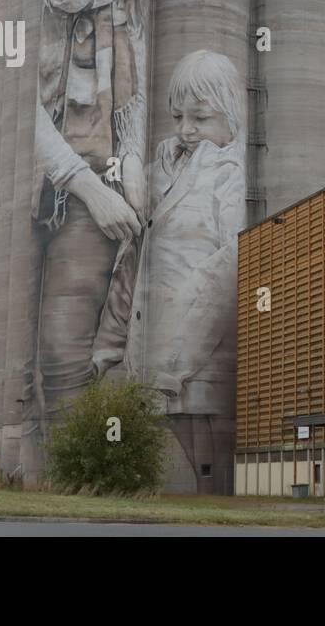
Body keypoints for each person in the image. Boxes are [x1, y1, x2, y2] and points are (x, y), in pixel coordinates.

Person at [31, 0, 154, 413]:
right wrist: (88, 189)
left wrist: (130, 163)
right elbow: (22, 113)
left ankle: (104, 461)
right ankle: (58, 475)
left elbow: (134, 99)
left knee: (116, 346)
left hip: (115, 187)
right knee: (58, 355)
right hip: (66, 189)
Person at [91, 50, 246, 417]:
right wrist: (106, 349)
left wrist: (170, 369)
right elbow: (129, 268)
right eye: (178, 117)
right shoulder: (159, 167)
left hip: (193, 372)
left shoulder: (230, 177)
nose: (185, 129)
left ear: (232, 115)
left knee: (196, 459)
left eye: (200, 118)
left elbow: (228, 270)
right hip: (141, 356)